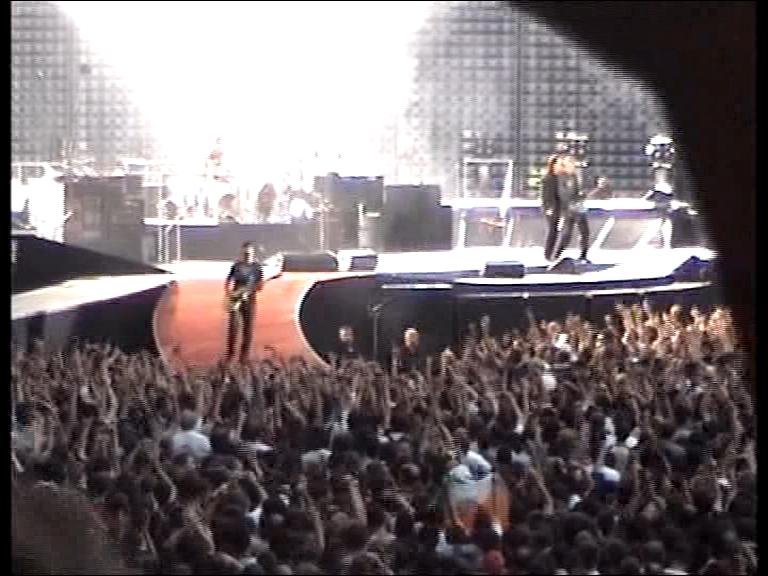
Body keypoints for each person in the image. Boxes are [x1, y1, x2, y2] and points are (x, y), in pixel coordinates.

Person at [224, 242, 264, 363]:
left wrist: (252, 290)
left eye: (249, 253)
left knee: (248, 328)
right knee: (233, 327)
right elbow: (228, 280)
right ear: (242, 253)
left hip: (249, 300)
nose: (247, 256)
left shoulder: (257, 268)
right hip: (236, 298)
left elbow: (260, 285)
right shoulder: (236, 266)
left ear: (253, 254)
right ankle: (230, 354)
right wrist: (229, 293)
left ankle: (244, 356)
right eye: (245, 253)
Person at [553, 155, 591, 262]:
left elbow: (577, 190)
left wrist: (581, 195)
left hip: (577, 206)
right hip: (568, 207)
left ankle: (583, 255)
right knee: (567, 233)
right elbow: (563, 193)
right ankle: (556, 255)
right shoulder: (562, 177)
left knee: (584, 232)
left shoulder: (574, 176)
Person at [541, 154, 562, 261]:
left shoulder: (560, 177)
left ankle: (554, 253)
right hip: (552, 207)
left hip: (559, 206)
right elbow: (546, 195)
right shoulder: (548, 178)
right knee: (553, 230)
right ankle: (548, 254)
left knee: (556, 230)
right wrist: (549, 207)